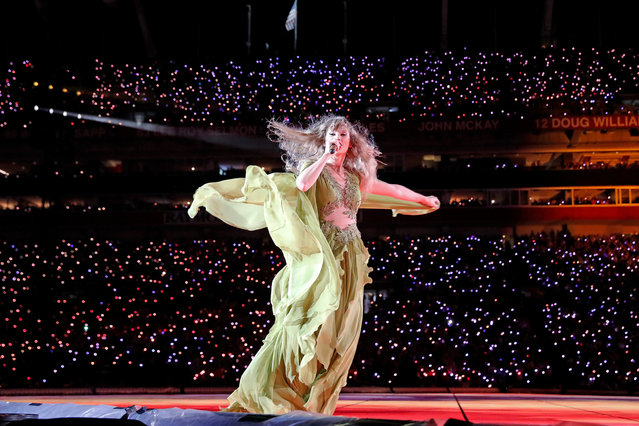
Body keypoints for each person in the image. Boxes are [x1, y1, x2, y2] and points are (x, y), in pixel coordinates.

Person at [188, 115, 439, 415]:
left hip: (351, 256)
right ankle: (283, 386)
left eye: (343, 134)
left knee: (343, 329)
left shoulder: (355, 177)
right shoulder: (314, 169)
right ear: (325, 140)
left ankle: (316, 395)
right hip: (324, 256)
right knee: (310, 324)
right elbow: (302, 184)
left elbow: (392, 190)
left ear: (350, 141)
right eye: (332, 134)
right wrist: (323, 157)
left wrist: (423, 198)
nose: (338, 138)